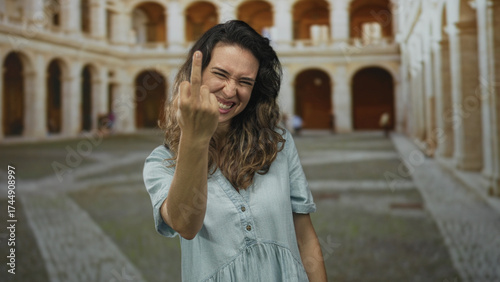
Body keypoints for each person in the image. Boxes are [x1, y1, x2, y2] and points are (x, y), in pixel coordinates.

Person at [143, 20, 327, 282]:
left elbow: (305, 237)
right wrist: (195, 137)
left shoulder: (278, 144)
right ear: (197, 74)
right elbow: (185, 224)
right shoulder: (161, 162)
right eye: (220, 74)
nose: (230, 91)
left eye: (245, 81)